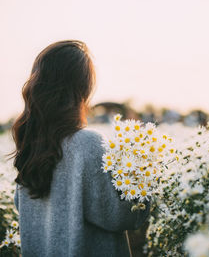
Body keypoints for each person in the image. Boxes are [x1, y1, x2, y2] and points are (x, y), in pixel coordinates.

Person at [10, 40, 150, 257]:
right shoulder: (88, 144)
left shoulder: (31, 147)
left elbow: (23, 208)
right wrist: (143, 169)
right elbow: (123, 216)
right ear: (84, 89)